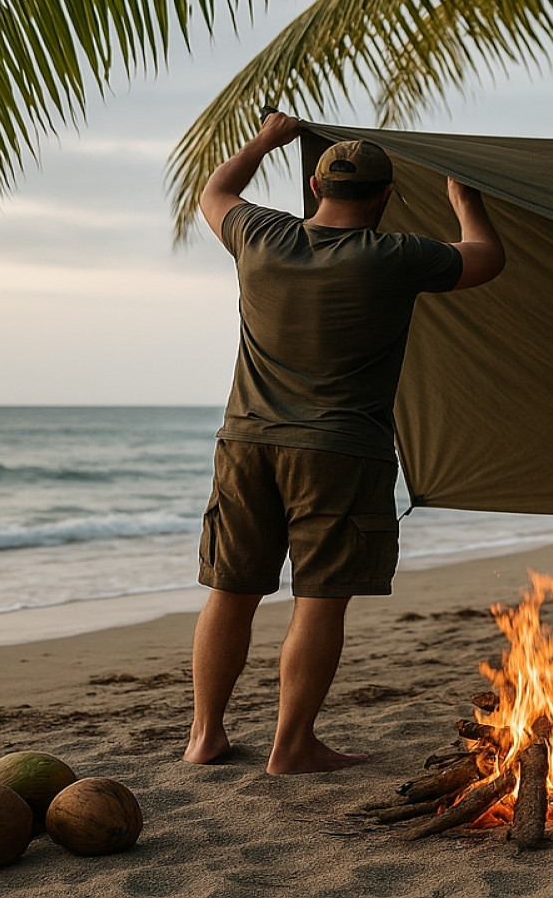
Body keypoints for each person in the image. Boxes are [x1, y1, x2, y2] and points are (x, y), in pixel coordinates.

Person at [183, 111, 504, 773]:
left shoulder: (260, 236)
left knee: (231, 592)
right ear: (384, 197)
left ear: (314, 185)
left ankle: (204, 736)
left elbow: (213, 193)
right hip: (339, 451)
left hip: (246, 443)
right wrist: (465, 201)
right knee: (320, 596)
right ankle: (291, 745)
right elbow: (486, 259)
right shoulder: (395, 257)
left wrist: (265, 139)